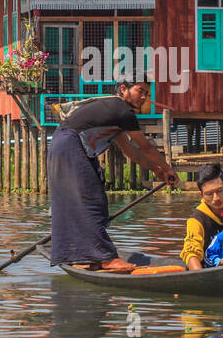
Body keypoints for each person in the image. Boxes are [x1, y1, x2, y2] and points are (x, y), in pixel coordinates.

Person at [48, 81, 179, 273]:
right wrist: (168, 168)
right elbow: (147, 147)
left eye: (146, 93)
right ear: (124, 89)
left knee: (96, 201)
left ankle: (88, 256)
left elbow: (131, 152)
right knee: (90, 199)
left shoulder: (113, 113)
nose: (143, 97)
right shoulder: (122, 110)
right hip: (70, 144)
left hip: (66, 145)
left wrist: (157, 170)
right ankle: (106, 257)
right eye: (139, 91)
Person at [181, 163, 223, 269]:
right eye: (209, 194)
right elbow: (191, 253)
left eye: (220, 191)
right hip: (206, 271)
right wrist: (201, 278)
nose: (216, 198)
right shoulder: (196, 220)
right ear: (201, 195)